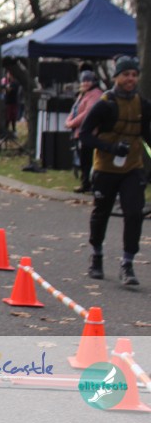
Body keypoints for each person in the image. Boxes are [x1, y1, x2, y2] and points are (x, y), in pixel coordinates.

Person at [79, 56, 151, 286]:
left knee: (134, 213)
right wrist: (110, 147)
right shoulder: (105, 104)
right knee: (101, 212)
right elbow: (85, 135)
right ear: (116, 77)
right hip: (106, 167)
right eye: (126, 74)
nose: (131, 79)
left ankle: (127, 263)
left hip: (132, 167)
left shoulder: (142, 104)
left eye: (134, 75)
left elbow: (147, 134)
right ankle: (96, 256)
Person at [65, 70, 102, 193]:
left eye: (88, 80)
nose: (85, 83)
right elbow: (74, 109)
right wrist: (69, 120)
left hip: (90, 133)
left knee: (88, 160)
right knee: (83, 160)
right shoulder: (83, 94)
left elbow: (87, 113)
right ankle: (85, 183)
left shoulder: (95, 94)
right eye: (83, 81)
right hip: (79, 133)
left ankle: (91, 184)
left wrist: (71, 123)